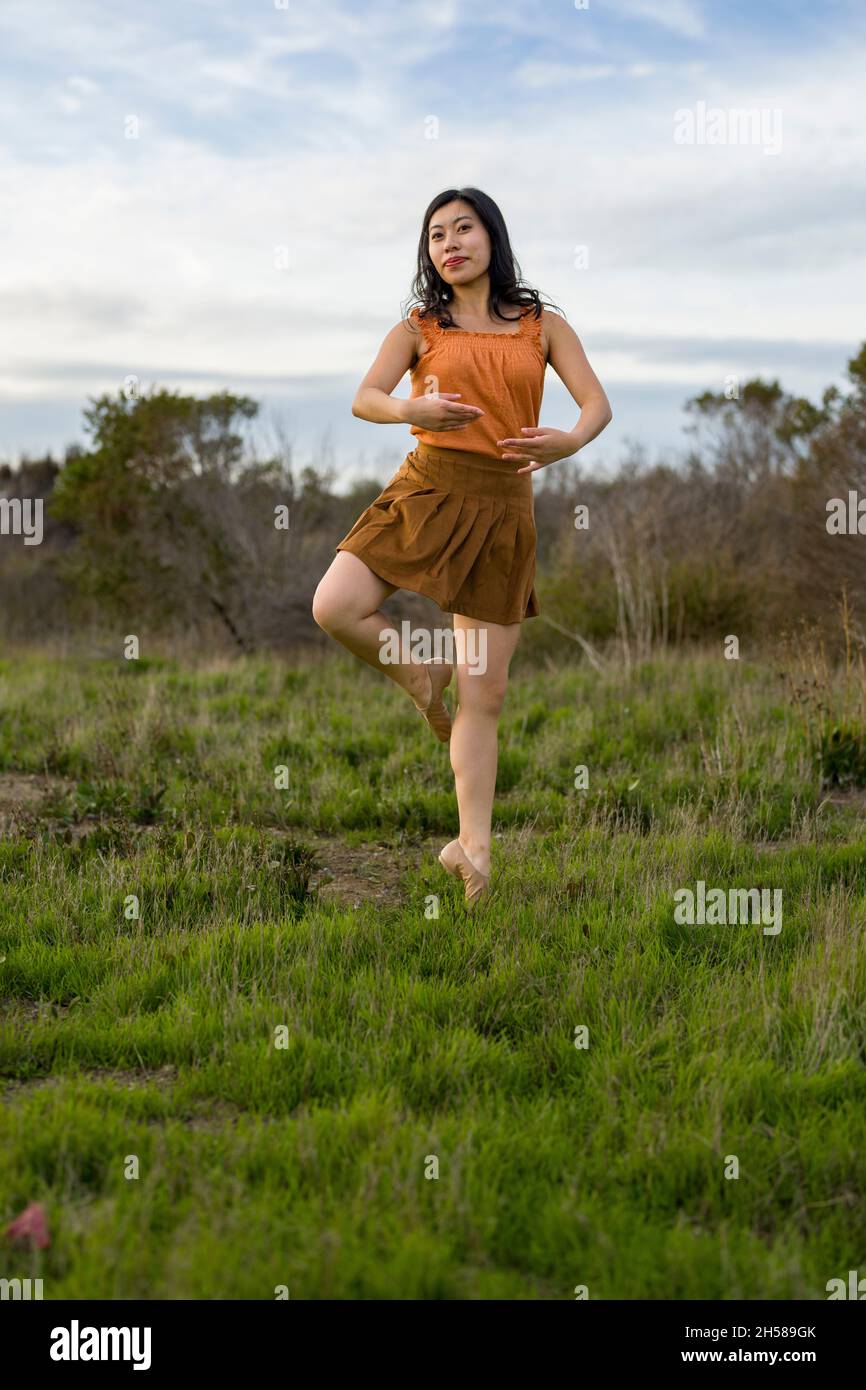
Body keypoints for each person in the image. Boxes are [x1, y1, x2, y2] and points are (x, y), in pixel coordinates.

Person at [312, 187, 612, 904]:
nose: (450, 243)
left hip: (502, 506)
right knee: (335, 605)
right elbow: (366, 396)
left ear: (491, 237)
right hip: (425, 486)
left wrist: (568, 441)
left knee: (485, 692)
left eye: (464, 229)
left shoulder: (543, 325)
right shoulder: (419, 326)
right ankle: (420, 678)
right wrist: (409, 408)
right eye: (437, 235)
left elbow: (596, 404)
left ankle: (472, 853)